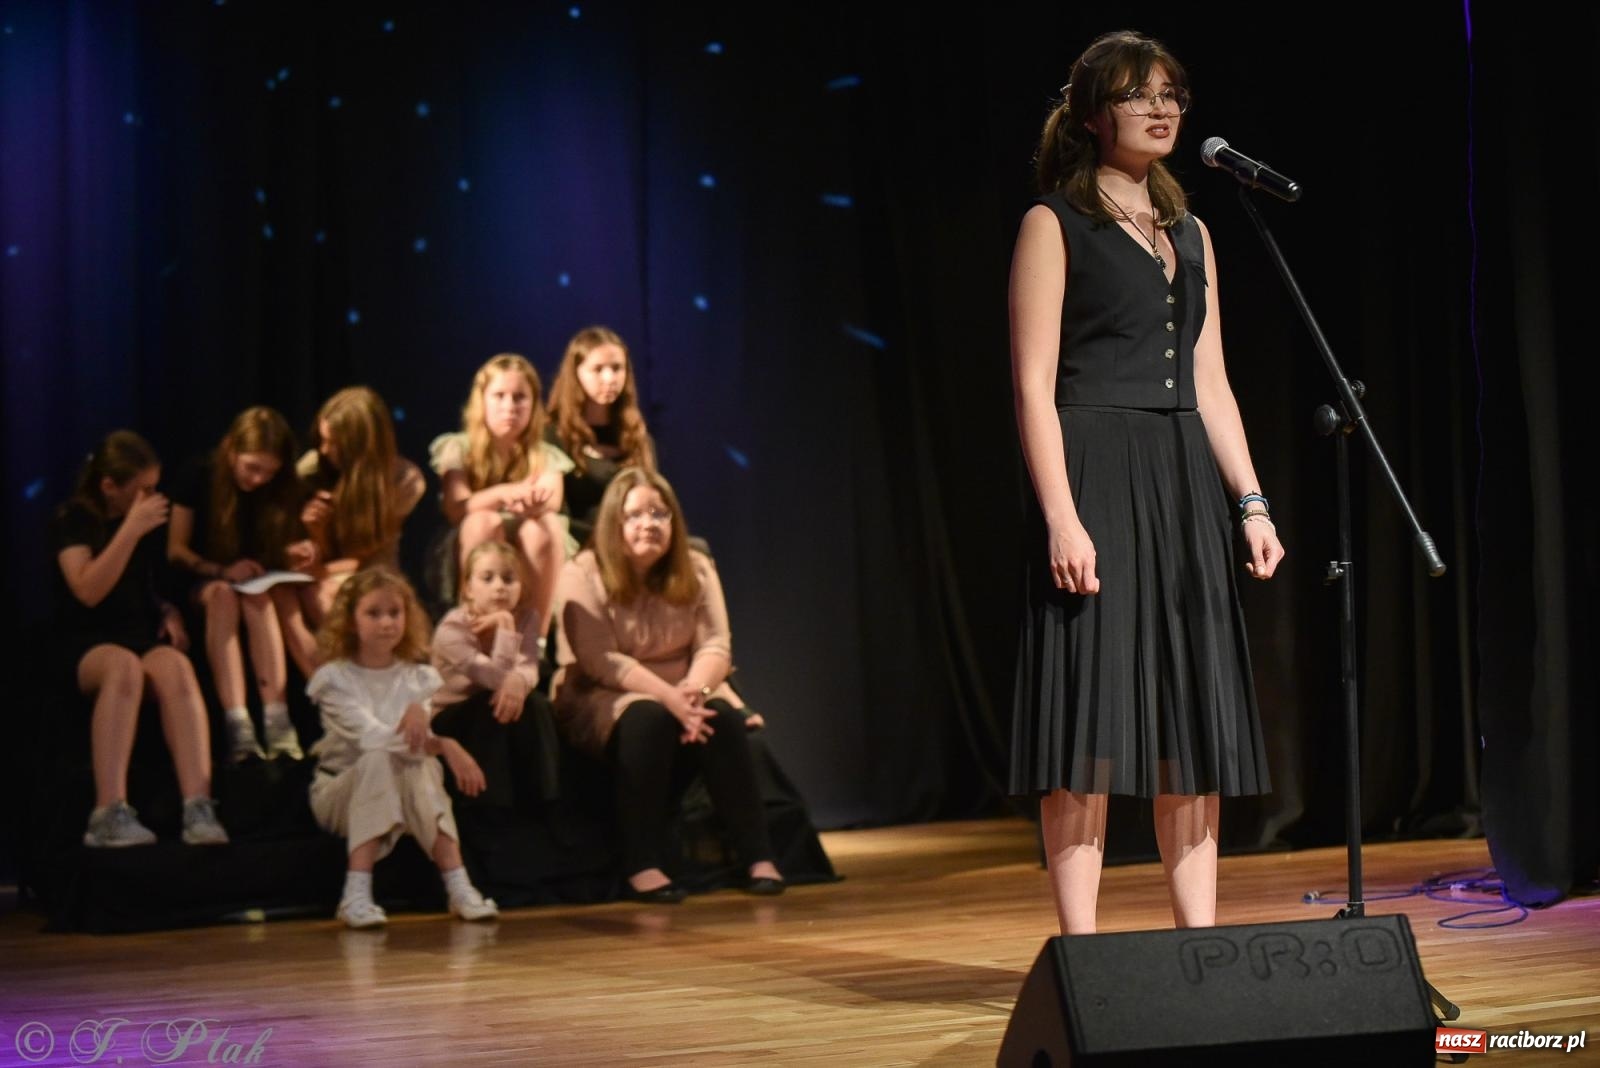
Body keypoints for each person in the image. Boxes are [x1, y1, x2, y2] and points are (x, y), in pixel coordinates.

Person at [1009, 30, 1282, 935]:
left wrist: (1249, 501)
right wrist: (1062, 517)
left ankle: (1195, 943)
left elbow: (1214, 383)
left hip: (1179, 482)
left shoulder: (1195, 232)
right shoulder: (1054, 223)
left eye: (1171, 93)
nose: (1162, 108)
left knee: (1191, 715)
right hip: (1095, 468)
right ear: (1093, 114)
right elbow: (1034, 386)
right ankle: (1082, 953)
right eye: (1138, 94)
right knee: (1087, 711)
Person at [552, 467, 781, 902]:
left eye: (659, 514)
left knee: (727, 720)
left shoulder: (696, 567)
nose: (649, 524)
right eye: (635, 514)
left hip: (685, 686)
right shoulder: (582, 573)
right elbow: (600, 661)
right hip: (605, 692)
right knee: (648, 719)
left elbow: (716, 643)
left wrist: (693, 691)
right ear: (613, 523)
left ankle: (757, 856)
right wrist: (671, 699)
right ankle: (642, 862)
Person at [51, 430, 229, 847]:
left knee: (176, 665)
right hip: (84, 642)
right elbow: (88, 591)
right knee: (122, 667)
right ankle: (108, 813)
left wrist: (167, 611)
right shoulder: (73, 519)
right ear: (109, 486)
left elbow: (144, 586)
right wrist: (129, 530)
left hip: (134, 633)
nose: (152, 497)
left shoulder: (146, 524)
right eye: (142, 488)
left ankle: (198, 806)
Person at [306, 566, 498, 929]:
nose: (386, 623)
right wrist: (445, 744)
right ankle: (355, 894)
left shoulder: (417, 679)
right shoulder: (334, 680)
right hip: (341, 791)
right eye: (373, 613)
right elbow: (372, 739)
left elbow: (412, 748)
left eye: (395, 613)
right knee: (383, 758)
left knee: (419, 766)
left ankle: (459, 888)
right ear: (351, 620)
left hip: (404, 787)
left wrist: (428, 737)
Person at [167, 406, 311, 762]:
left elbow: (278, 547)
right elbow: (175, 550)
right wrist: (218, 570)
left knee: (259, 600)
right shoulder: (199, 475)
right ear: (231, 451)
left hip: (254, 582)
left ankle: (276, 717)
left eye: (269, 472)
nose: (259, 479)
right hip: (206, 578)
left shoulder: (277, 490)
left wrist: (299, 549)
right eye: (252, 468)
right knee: (223, 598)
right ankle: (238, 722)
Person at [276, 386, 426, 680]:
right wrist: (314, 531)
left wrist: (320, 570)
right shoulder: (311, 470)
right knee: (298, 593)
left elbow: (365, 556)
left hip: (374, 572)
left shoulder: (404, 481)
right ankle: (334, 689)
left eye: (333, 443)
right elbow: (307, 549)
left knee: (334, 592)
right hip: (327, 569)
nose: (324, 450)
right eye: (322, 440)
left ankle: (375, 682)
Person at [429, 354, 573, 636]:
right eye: (499, 396)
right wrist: (506, 493)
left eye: (520, 397)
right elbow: (457, 506)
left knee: (543, 528)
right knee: (482, 521)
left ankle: (534, 640)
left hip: (529, 536)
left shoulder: (544, 454)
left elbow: (552, 499)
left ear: (533, 404)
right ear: (481, 400)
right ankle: (477, 632)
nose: (510, 407)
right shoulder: (459, 448)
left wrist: (531, 503)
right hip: (478, 534)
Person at [430, 540, 558, 812]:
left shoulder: (528, 617)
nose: (499, 586)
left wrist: (518, 680)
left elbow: (528, 667)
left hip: (495, 704)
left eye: (509, 579)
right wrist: (505, 626)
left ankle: (546, 802)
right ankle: (491, 811)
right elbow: (495, 677)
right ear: (467, 588)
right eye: (487, 578)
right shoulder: (451, 629)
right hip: (453, 717)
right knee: (492, 701)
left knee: (534, 704)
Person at [545, 326, 656, 549]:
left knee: (698, 553)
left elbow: (651, 499)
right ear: (576, 373)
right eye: (598, 369)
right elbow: (556, 511)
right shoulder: (554, 434)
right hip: (580, 541)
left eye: (617, 368)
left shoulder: (635, 434)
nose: (609, 378)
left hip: (633, 540)